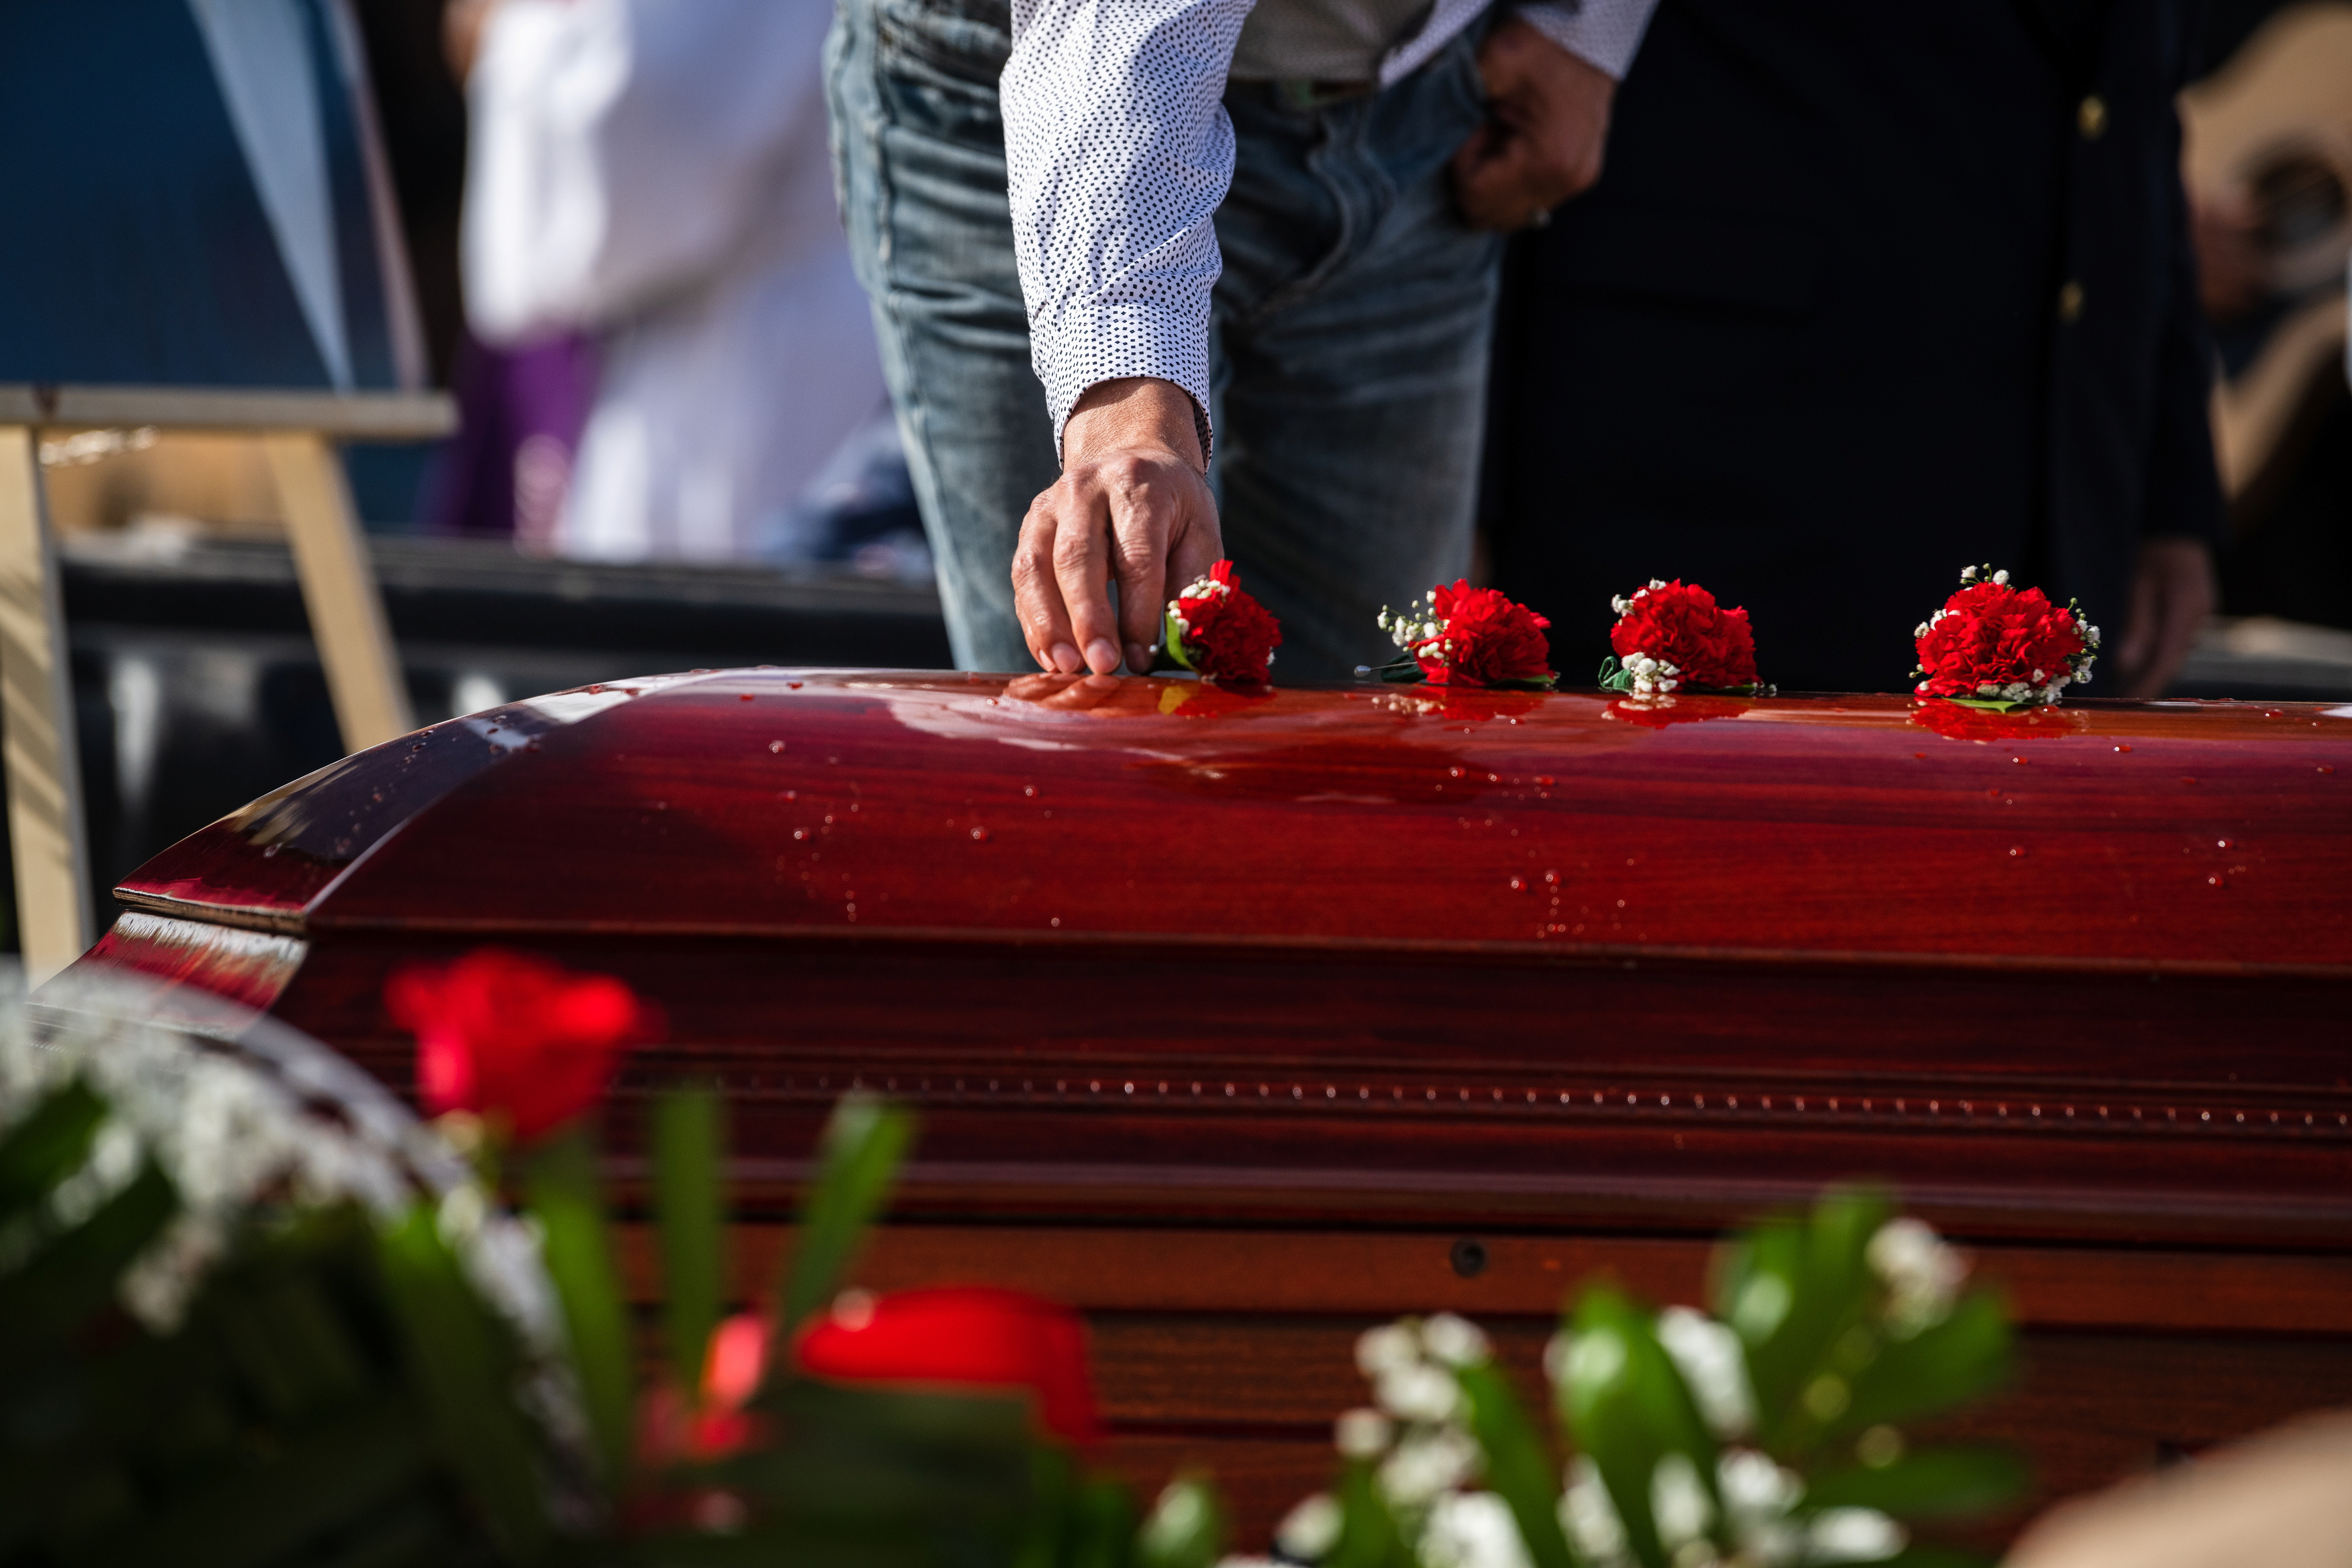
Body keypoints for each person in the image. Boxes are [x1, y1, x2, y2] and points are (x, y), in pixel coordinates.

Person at [828, 0, 1659, 677]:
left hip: (1414, 101)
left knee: (1372, 768)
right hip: (1038, 90)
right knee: (1094, 764)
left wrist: (1586, 28)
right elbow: (1123, 35)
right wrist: (1127, 409)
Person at [1482, 0, 2224, 697]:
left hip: (2053, 507)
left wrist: (2170, 482)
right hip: (1705, 461)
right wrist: (1466, 483)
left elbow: (2134, 92)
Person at [459, 0, 896, 564]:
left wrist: (511, 31)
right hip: (717, 341)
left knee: (751, 626)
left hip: (756, 358)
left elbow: (640, 131)